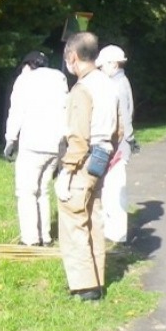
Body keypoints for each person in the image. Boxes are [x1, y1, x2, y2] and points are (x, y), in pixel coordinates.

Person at [55, 32, 121, 302]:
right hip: (102, 157)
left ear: (73, 57)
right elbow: (121, 128)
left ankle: (84, 287)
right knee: (92, 217)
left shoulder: (82, 89)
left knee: (73, 220)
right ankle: (97, 278)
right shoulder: (108, 84)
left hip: (83, 160)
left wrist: (66, 171)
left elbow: (79, 138)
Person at [2, 50, 67, 246]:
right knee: (43, 190)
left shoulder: (25, 80)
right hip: (56, 145)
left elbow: (16, 112)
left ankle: (30, 239)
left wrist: (10, 141)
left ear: (27, 65)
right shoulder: (60, 80)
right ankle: (45, 236)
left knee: (26, 191)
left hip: (33, 144)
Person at [96, 45, 137, 245]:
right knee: (110, 189)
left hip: (119, 145)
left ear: (113, 63)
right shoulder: (119, 81)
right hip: (120, 143)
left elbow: (124, 118)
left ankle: (118, 235)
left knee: (115, 189)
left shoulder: (118, 84)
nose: (101, 69)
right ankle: (111, 230)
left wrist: (128, 140)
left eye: (103, 65)